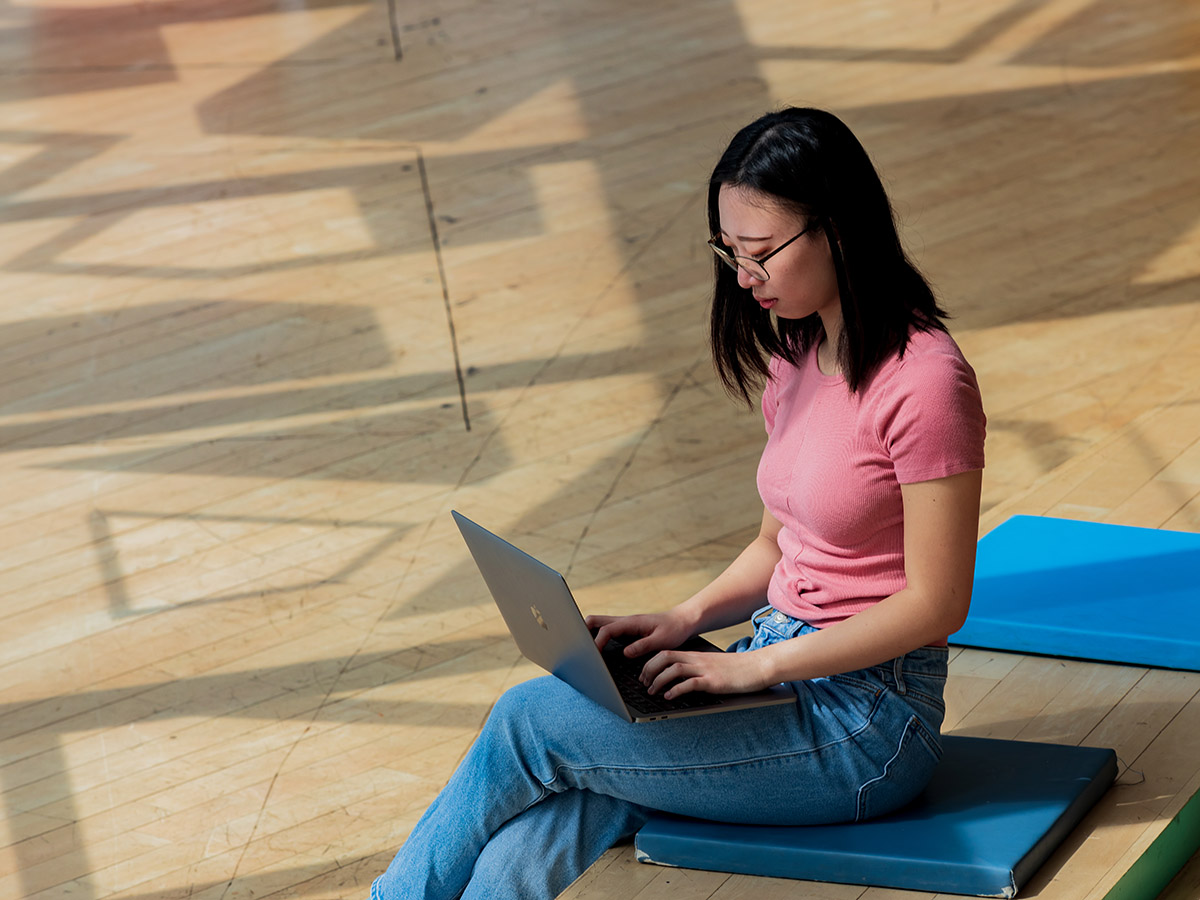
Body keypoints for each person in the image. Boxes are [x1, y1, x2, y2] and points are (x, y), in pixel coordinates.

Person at [370, 107, 986, 900]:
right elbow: (778, 548)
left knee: (532, 722)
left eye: (760, 253)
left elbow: (938, 604)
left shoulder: (926, 381)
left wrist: (754, 668)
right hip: (777, 676)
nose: (742, 276)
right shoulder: (797, 355)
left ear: (838, 229)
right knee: (544, 831)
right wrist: (684, 618)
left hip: (866, 725)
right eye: (728, 251)